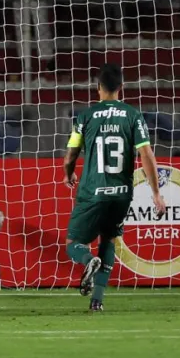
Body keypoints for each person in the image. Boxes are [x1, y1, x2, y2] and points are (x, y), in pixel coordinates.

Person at [61, 63, 165, 312]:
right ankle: (97, 300)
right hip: (121, 193)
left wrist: (68, 174)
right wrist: (156, 193)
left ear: (97, 88)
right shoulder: (133, 116)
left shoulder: (84, 117)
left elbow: (70, 156)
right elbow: (147, 155)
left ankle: (88, 260)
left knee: (73, 243)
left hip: (92, 192)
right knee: (109, 239)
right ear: (121, 88)